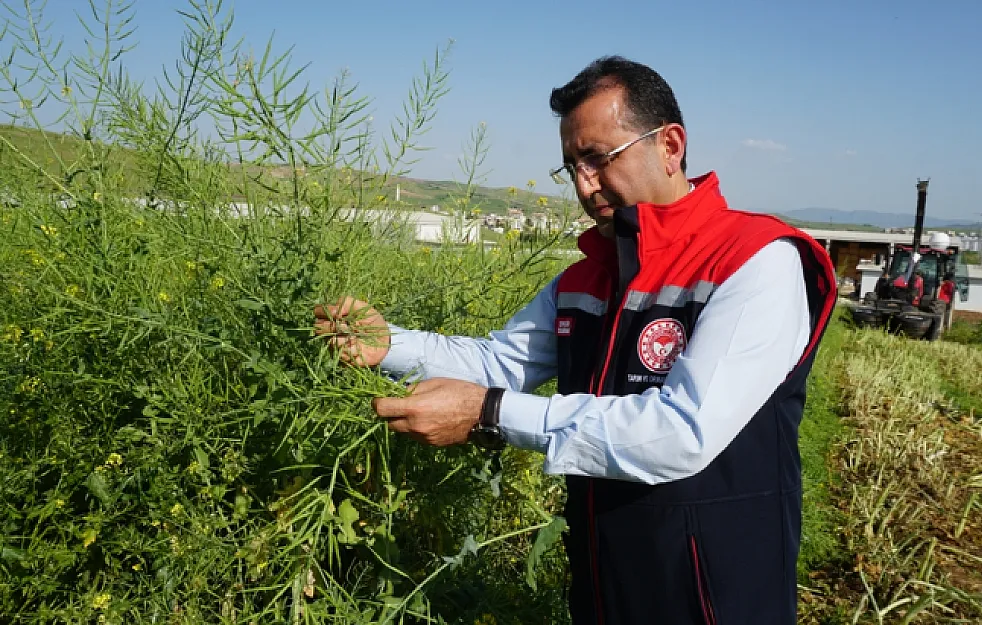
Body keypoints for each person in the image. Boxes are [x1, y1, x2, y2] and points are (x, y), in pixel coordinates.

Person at [314, 56, 837, 624]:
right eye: (572, 167)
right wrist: (388, 344)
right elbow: (499, 361)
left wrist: (491, 414)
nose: (585, 186)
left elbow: (681, 432)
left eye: (598, 158)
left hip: (715, 593)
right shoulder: (586, 277)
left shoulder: (755, 259)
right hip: (605, 577)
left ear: (670, 146)